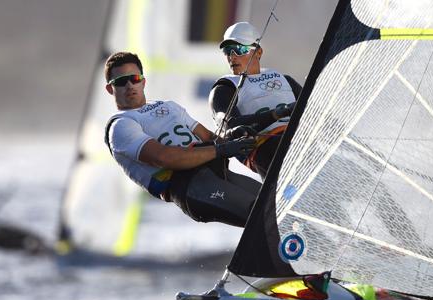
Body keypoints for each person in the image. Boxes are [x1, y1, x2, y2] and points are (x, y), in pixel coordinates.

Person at [104, 51, 261, 227]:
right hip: (192, 187)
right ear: (110, 89)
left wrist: (235, 138)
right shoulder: (120, 126)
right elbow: (164, 158)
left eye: (134, 78)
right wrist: (222, 149)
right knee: (260, 213)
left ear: (143, 81)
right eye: (120, 81)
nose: (129, 85)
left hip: (219, 173)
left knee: (273, 200)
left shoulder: (168, 106)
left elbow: (209, 137)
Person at [209, 22, 303, 179]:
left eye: (240, 49)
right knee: (277, 149)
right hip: (266, 148)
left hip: (301, 140)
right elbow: (231, 125)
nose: (232, 57)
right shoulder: (225, 88)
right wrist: (278, 113)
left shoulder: (285, 79)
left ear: (258, 52)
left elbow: (314, 111)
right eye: (227, 51)